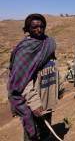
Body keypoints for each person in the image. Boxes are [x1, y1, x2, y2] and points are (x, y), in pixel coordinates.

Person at [7, 13, 65, 141]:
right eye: (34, 27)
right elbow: (21, 81)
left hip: (47, 96)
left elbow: (54, 65)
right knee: (32, 134)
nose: (39, 29)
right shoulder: (25, 49)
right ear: (27, 29)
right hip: (33, 100)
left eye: (42, 26)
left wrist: (60, 86)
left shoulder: (49, 43)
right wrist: (34, 102)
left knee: (46, 131)